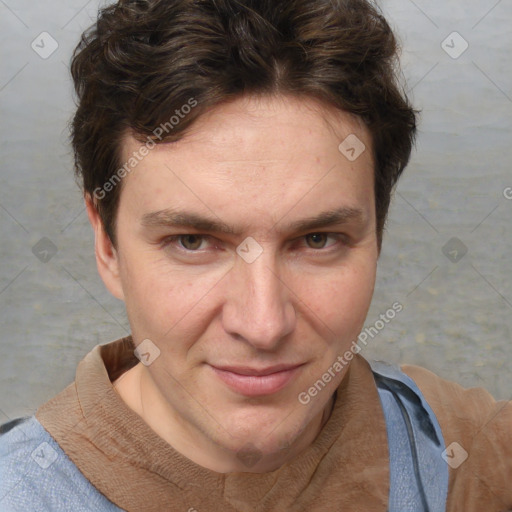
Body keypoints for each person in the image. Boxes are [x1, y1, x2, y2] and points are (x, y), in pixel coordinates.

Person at [1, 0, 511, 510]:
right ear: (107, 245)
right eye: (193, 242)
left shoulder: (476, 458)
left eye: (316, 240)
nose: (264, 325)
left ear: (378, 233)